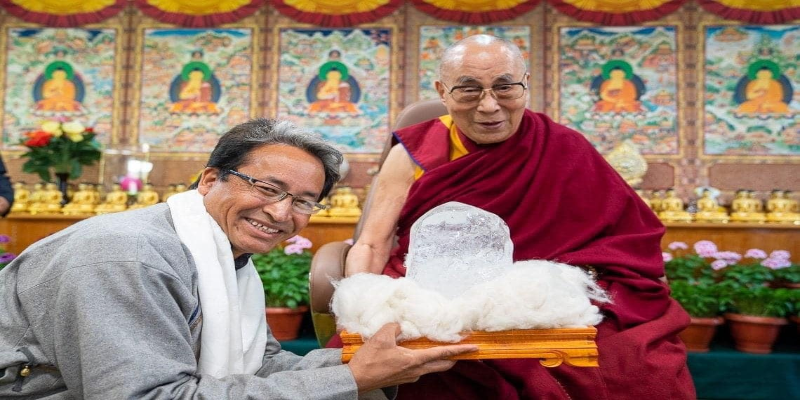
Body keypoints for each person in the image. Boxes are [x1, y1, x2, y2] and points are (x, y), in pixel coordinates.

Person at [0, 119, 476, 398]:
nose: (281, 212)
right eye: (268, 187)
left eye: (304, 201)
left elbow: (262, 367)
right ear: (209, 180)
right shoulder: (128, 255)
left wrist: (380, 363)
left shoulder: (227, 259)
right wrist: (351, 377)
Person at [343, 35, 694, 399]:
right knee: (443, 358)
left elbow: (629, 238)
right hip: (445, 295)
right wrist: (361, 308)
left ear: (525, 85)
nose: (490, 106)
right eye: (469, 90)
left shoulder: (564, 147)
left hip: (545, 297)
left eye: (505, 88)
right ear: (442, 92)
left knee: (636, 363)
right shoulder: (416, 152)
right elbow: (373, 241)